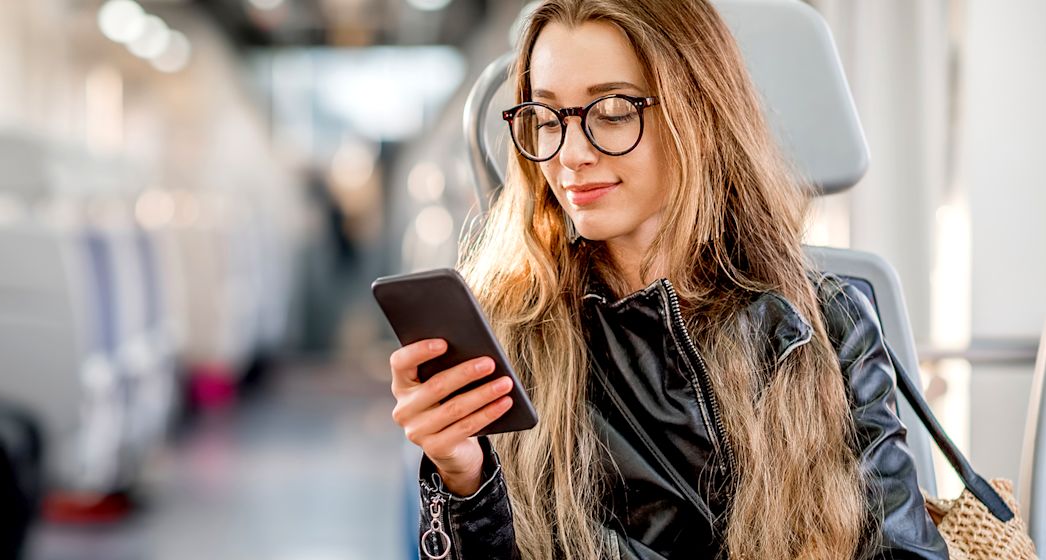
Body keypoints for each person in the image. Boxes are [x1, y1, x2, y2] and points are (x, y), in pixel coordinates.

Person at [387, 0, 947, 558]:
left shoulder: (825, 326)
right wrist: (466, 479)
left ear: (697, 113)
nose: (571, 155)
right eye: (546, 116)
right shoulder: (510, 335)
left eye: (610, 112)